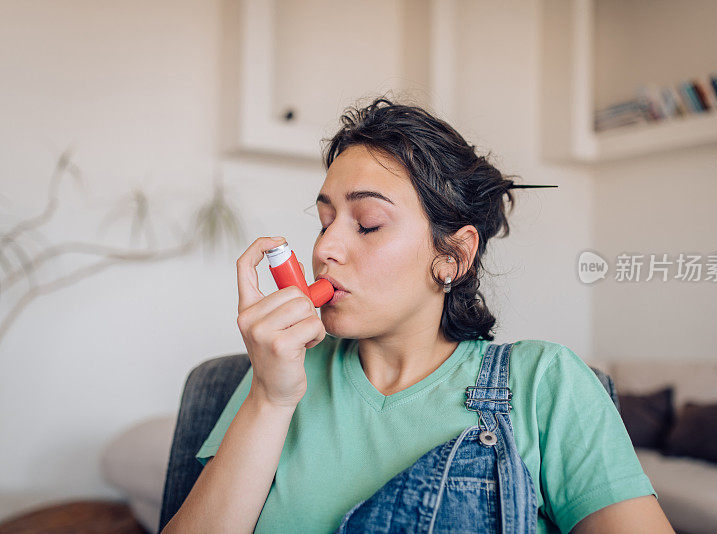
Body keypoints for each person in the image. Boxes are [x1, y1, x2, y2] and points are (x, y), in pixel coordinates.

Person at [163, 96, 674, 533]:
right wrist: (269, 400)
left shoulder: (545, 381)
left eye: (367, 224)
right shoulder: (277, 380)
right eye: (324, 222)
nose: (325, 249)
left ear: (451, 256)